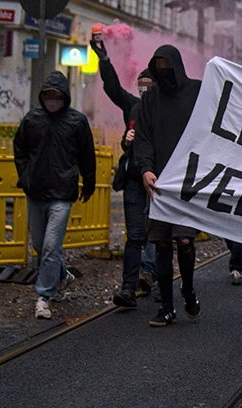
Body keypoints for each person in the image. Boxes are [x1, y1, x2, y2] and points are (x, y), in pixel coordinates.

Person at [13, 71, 96, 320]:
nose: (52, 100)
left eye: (56, 96)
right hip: (36, 192)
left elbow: (86, 156)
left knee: (51, 247)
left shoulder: (77, 122)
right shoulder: (32, 119)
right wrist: (26, 176)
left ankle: (44, 297)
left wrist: (88, 184)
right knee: (40, 245)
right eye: (48, 95)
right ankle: (62, 275)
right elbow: (20, 149)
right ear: (42, 96)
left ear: (64, 97)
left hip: (62, 194)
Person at [134, 45, 203, 327]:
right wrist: (146, 169)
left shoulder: (197, 92)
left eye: (166, 65)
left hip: (187, 183)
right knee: (161, 242)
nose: (162, 72)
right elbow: (144, 136)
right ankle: (166, 306)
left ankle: (187, 289)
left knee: (185, 242)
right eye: (157, 66)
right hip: (160, 183)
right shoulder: (151, 100)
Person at [91, 39, 158, 308]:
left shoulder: (166, 111)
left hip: (157, 180)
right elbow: (113, 89)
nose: (144, 89)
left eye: (148, 84)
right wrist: (104, 60)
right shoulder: (132, 106)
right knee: (135, 235)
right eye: (141, 83)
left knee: (157, 233)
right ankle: (129, 287)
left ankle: (151, 274)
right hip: (133, 178)